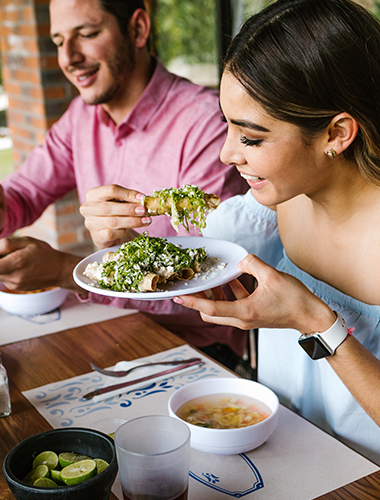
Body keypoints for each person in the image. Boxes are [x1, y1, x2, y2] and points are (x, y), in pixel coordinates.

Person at [169, 0, 380, 498]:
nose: (226, 154)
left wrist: (316, 322)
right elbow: (203, 261)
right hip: (303, 466)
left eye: (252, 137)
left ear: (336, 133)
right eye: (228, 125)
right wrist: (124, 239)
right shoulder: (285, 189)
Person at [0, 0, 248, 368]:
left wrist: (65, 271)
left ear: (138, 30)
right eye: (57, 41)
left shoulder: (204, 125)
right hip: (112, 327)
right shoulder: (80, 118)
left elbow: (218, 285)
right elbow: (20, 196)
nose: (68, 57)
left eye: (86, 34)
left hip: (199, 352)